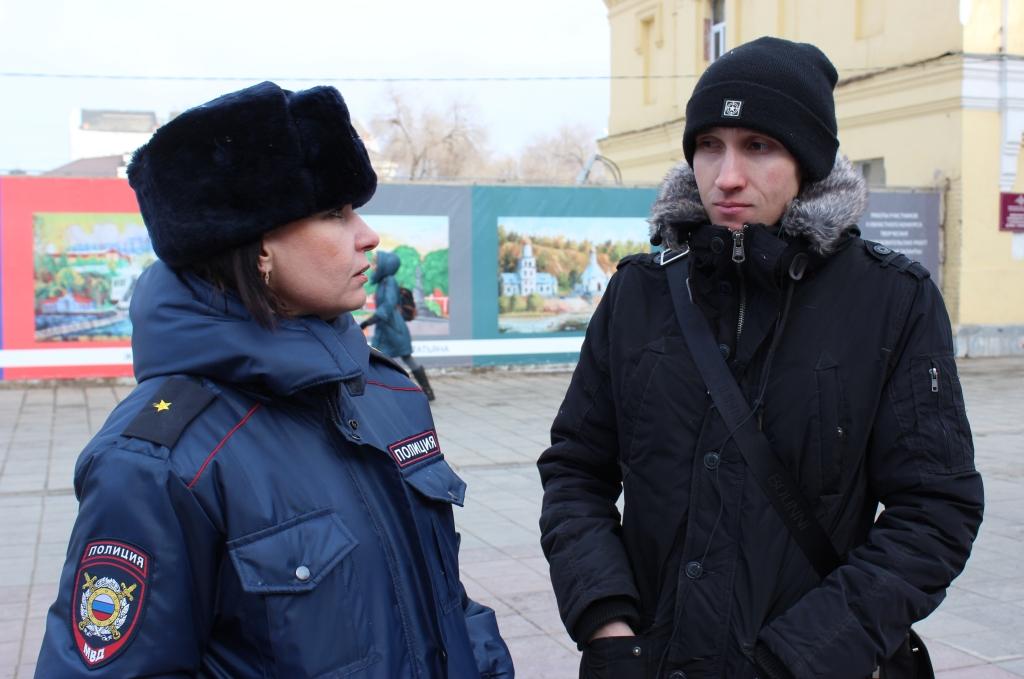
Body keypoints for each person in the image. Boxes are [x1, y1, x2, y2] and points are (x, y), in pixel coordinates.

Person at [537, 36, 983, 679]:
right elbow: (576, 470)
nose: (727, 176)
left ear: (808, 161)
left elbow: (936, 511)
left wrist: (799, 658)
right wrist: (607, 625)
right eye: (708, 145)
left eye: (758, 146)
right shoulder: (640, 291)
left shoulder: (891, 300)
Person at [35, 81, 514, 678]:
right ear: (260, 246)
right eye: (335, 213)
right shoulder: (158, 462)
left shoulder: (389, 394)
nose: (368, 235)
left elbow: (445, 604)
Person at [360, 250, 435, 400]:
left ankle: (423, 391)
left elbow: (388, 305)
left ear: (385, 266)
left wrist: (368, 321)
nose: (373, 266)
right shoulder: (384, 281)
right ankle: (420, 391)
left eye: (376, 263)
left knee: (388, 358)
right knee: (383, 358)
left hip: (393, 329)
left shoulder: (388, 281)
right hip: (389, 328)